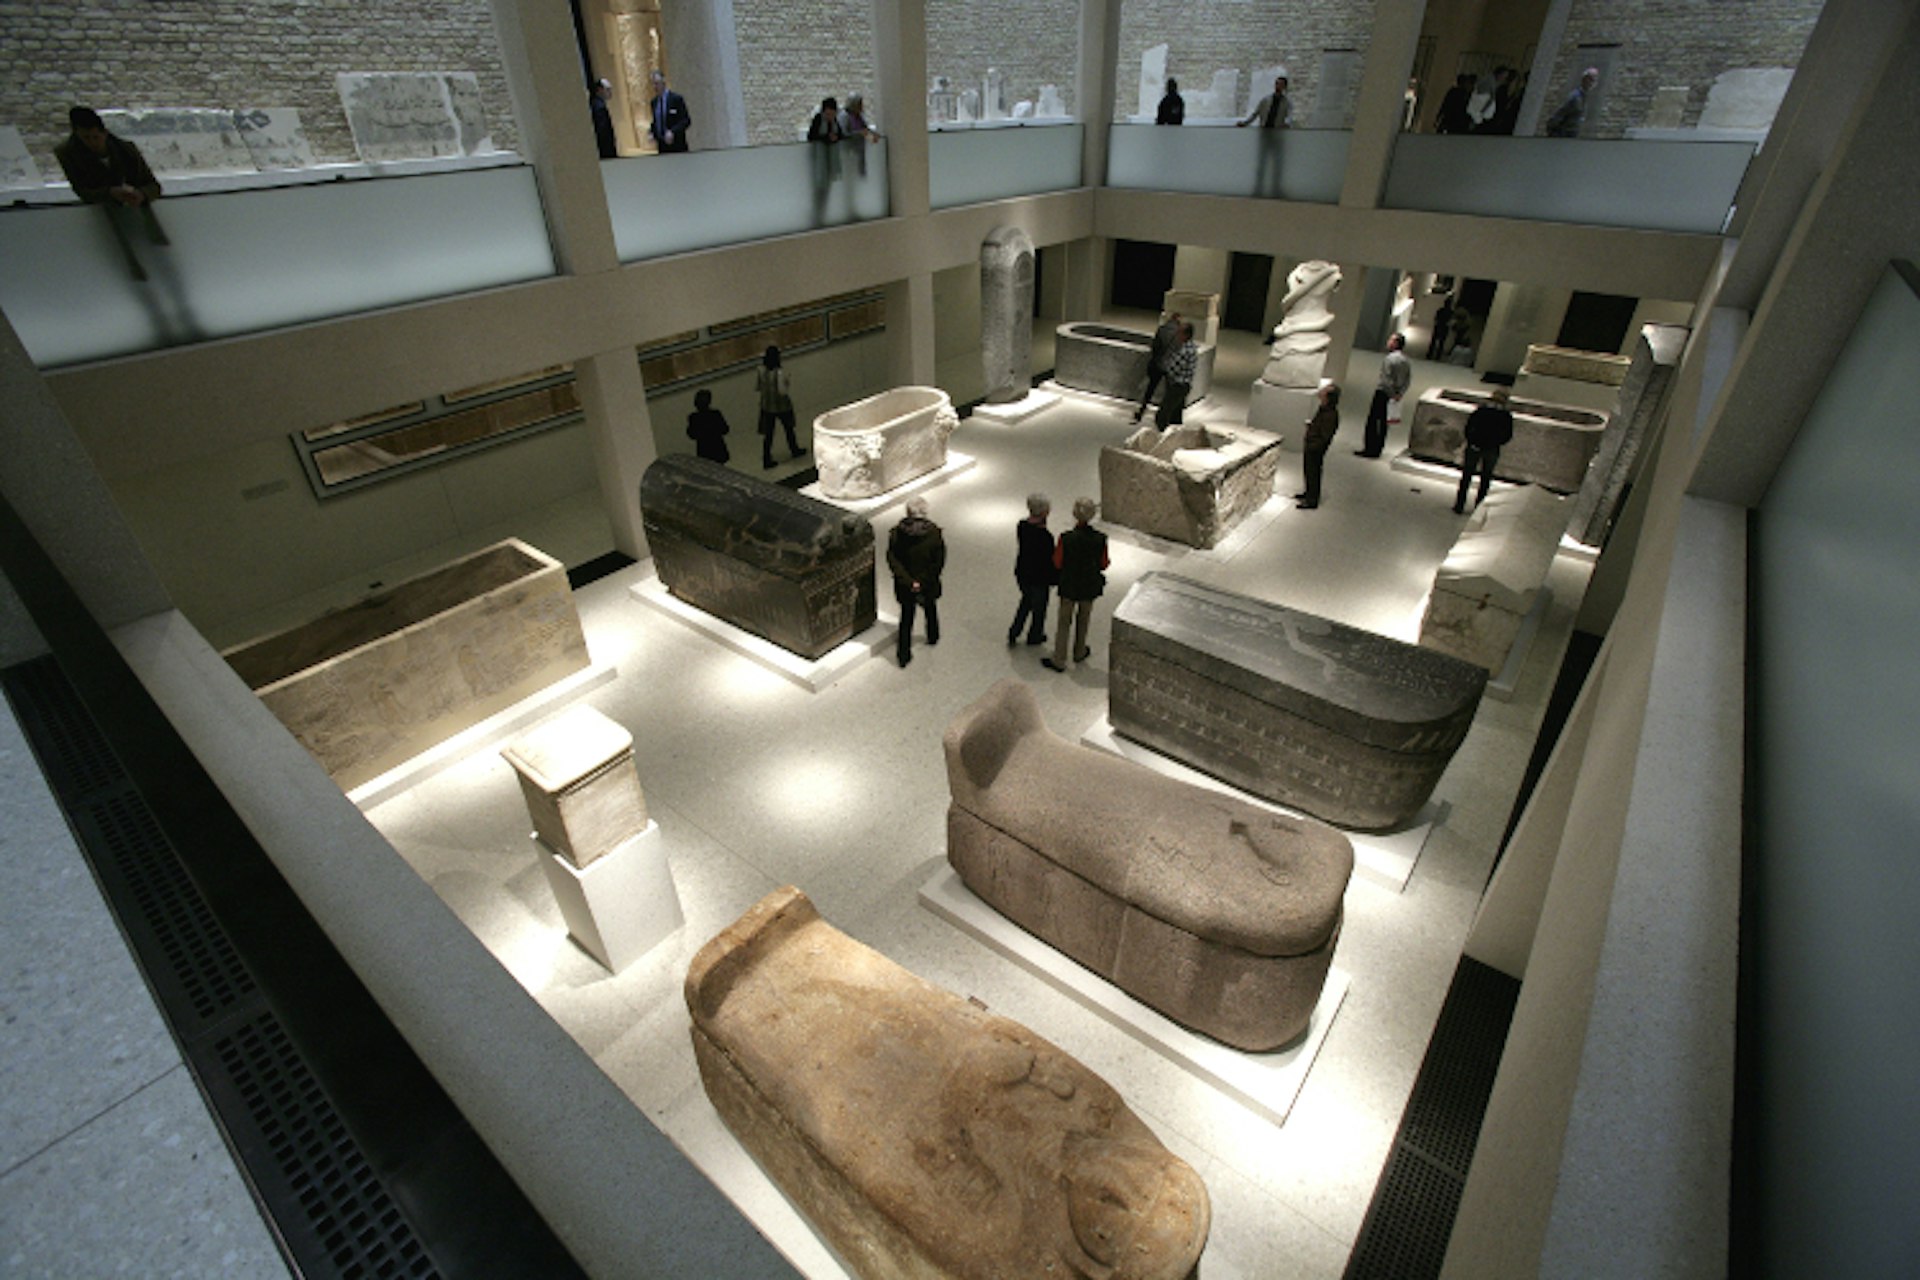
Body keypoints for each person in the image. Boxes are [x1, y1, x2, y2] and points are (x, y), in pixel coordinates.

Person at [55, 106, 168, 281]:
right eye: (86, 138)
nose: (92, 142)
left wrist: (141, 194)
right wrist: (109, 193)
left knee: (159, 262)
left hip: (141, 214)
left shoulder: (125, 150)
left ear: (104, 133)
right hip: (107, 220)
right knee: (128, 267)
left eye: (95, 137)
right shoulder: (68, 154)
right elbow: (83, 191)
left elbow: (153, 185)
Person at [1041, 498, 1109, 673]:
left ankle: (1059, 658)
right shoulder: (1100, 539)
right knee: (1084, 619)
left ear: (1074, 514)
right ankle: (1079, 651)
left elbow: (1057, 562)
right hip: (1089, 585)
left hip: (1069, 584)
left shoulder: (1066, 538)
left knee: (1064, 622)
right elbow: (1104, 564)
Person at [888, 497, 945, 667]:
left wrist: (909, 581)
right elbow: (938, 562)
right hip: (928, 584)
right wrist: (922, 581)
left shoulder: (897, 534)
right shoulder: (934, 535)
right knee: (930, 609)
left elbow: (893, 560)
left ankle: (903, 655)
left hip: (905, 586)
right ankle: (933, 636)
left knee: (906, 618)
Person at [1007, 492, 1056, 647]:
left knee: (1026, 601)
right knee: (1039, 609)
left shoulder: (1022, 526)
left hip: (1022, 572)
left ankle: (1014, 631)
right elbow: (1049, 560)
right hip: (1039, 578)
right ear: (1044, 512)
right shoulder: (1045, 537)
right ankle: (1035, 635)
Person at [1455, 388, 1514, 514]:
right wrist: (1495, 443)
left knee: (1467, 476)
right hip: (1492, 449)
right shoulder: (1506, 416)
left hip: (1475, 446)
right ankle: (1478, 507)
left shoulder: (1481, 411)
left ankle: (1459, 504)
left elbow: (1468, 427)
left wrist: (1472, 442)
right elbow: (1507, 435)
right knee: (1485, 478)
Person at [1356, 332, 1410, 458]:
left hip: (1383, 393)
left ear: (1396, 343)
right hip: (1395, 394)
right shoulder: (1405, 361)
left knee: (1374, 420)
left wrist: (1391, 393)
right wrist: (1399, 393)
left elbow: (1386, 380)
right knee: (1384, 422)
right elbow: (1407, 380)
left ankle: (1370, 448)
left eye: (1391, 340)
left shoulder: (1390, 359)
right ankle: (1378, 448)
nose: (1388, 342)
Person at [1294, 381, 1341, 510]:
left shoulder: (1330, 415)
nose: (1321, 392)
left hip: (1315, 448)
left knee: (1313, 472)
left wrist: (1313, 444)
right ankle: (1309, 493)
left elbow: (1325, 436)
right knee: (1309, 471)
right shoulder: (1324, 410)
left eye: (1324, 391)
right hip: (1312, 445)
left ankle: (1312, 500)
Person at [756, 346, 803, 467]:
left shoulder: (760, 371)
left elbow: (759, 387)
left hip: (767, 406)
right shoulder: (780, 372)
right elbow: (784, 391)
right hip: (782, 405)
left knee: (769, 434)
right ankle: (794, 450)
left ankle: (766, 458)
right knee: (789, 429)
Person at [1134, 311, 1182, 422]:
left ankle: (1141, 411)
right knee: (1170, 392)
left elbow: (1155, 347)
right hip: (1171, 366)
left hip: (1158, 363)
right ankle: (1168, 416)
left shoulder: (1162, 329)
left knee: (1150, 389)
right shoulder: (1179, 333)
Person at [1155, 322, 1198, 430]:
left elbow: (1174, 368)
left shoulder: (1185, 350)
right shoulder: (1192, 347)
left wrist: (1163, 366)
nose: (1177, 335)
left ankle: (1163, 435)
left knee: (1162, 415)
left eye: (1179, 333)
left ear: (1186, 335)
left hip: (1178, 386)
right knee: (1175, 416)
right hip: (1185, 385)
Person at [1545, 67, 1599, 138]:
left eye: (1594, 80)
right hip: (1563, 134)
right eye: (1590, 79)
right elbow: (1560, 113)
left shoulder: (1584, 97)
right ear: (1584, 79)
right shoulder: (1575, 96)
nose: (1592, 83)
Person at [648, 69, 690, 152]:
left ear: (663, 82)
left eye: (657, 83)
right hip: (662, 146)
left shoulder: (676, 99)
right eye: (653, 84)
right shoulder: (654, 102)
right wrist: (651, 133)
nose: (655, 87)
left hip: (677, 145)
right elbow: (656, 122)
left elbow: (686, 121)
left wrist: (672, 132)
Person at [685, 388, 730, 464]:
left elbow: (691, 435)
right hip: (718, 449)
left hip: (704, 451)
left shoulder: (694, 418)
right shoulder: (715, 414)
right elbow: (725, 429)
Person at [589, 77, 618, 158]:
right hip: (605, 148)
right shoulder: (599, 107)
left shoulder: (597, 104)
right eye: (607, 90)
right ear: (600, 90)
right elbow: (603, 130)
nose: (610, 92)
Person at [1427, 294, 1455, 360]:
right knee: (1441, 343)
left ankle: (1430, 354)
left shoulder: (1440, 310)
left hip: (1438, 326)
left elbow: (1436, 318)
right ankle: (1438, 356)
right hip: (1445, 328)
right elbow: (1451, 321)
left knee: (1433, 341)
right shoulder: (1451, 312)